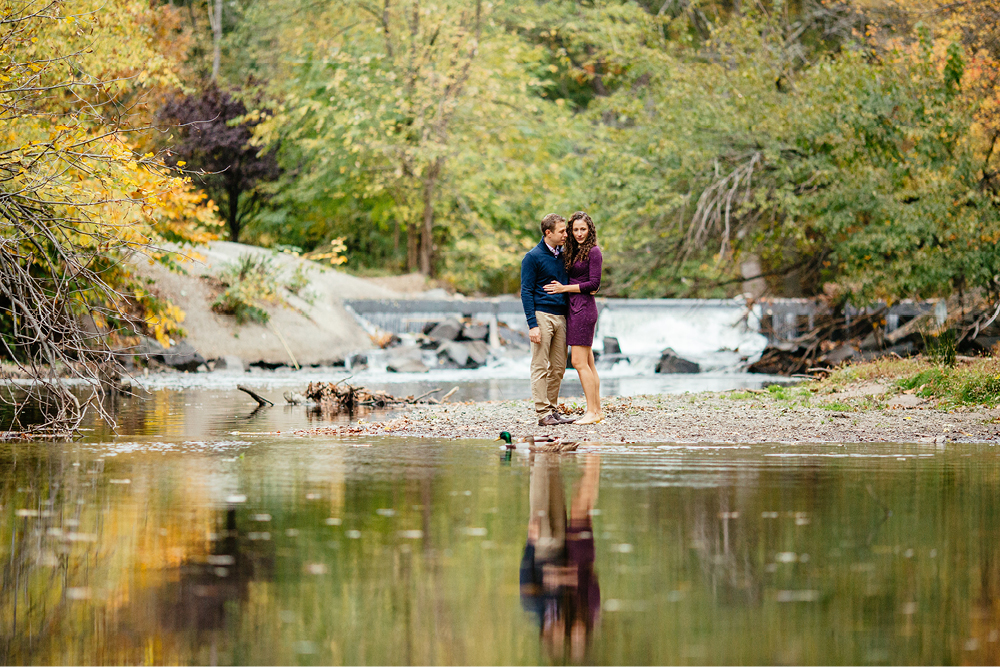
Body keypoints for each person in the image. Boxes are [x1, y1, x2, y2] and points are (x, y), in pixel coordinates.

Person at [520, 453, 601, 663]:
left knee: (543, 502)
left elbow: (526, 573)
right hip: (569, 551)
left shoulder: (535, 607)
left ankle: (543, 454)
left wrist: (530, 543)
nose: (561, 632)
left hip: (546, 549)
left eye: (553, 637)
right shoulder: (585, 611)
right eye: (578, 638)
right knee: (577, 505)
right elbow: (590, 581)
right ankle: (582, 454)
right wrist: (567, 576)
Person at [543, 211, 603, 424]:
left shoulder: (594, 251)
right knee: (589, 363)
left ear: (590, 230)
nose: (579, 233)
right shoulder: (573, 251)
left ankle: (591, 413)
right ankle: (597, 411)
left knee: (578, 362)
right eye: (575, 229)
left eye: (583, 229)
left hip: (583, 310)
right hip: (574, 308)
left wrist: (564, 288)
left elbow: (594, 284)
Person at [521, 213, 576, 427]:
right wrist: (532, 325)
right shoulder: (532, 257)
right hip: (542, 315)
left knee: (559, 367)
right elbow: (526, 292)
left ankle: (552, 410)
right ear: (548, 233)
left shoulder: (564, 255)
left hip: (561, 317)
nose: (566, 235)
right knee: (540, 366)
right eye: (561, 231)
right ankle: (543, 413)